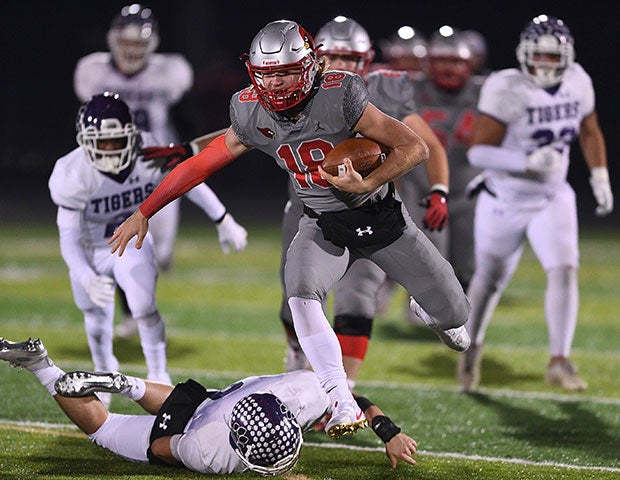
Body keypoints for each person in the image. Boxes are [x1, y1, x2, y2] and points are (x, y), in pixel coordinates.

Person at [108, 19, 471, 439]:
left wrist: (369, 181)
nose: (277, 84)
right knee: (299, 291)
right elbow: (199, 166)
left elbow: (416, 146)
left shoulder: (342, 95)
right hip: (322, 224)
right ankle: (340, 399)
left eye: (286, 72)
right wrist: (146, 210)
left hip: (382, 220)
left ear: (310, 66)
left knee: (456, 321)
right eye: (267, 75)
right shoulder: (250, 110)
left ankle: (429, 307)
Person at [276, 16, 451, 392]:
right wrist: (192, 151)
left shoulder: (383, 89)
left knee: (358, 294)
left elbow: (427, 142)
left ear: (367, 60)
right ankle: (297, 356)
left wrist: (439, 189)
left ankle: (345, 390)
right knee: (294, 297)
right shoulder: (288, 87)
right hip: (307, 208)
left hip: (367, 206)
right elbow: (240, 132)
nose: (342, 65)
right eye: (334, 55)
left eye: (352, 58)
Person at [48, 92, 247, 399]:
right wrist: (85, 275)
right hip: (90, 248)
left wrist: (223, 219)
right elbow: (68, 237)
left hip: (130, 241)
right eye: (103, 142)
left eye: (117, 141)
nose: (111, 149)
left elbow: (187, 179)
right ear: (84, 141)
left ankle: (158, 371)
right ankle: (103, 370)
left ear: (132, 135)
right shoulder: (71, 172)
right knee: (95, 312)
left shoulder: (149, 150)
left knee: (144, 305)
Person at [458, 14, 613, 392]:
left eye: (551, 57)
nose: (545, 64)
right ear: (525, 55)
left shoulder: (577, 81)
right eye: (538, 56)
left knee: (564, 269)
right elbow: (478, 152)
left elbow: (589, 130)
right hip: (504, 197)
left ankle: (559, 360)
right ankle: (470, 348)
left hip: (551, 196)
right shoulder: (506, 87)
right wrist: (524, 162)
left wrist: (600, 177)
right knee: (490, 280)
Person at [0, 337, 418, 474]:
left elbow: (353, 398)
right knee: (105, 431)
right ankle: (40, 366)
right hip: (195, 426)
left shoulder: (307, 392)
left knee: (193, 402)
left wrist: (389, 431)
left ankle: (123, 382)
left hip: (216, 400)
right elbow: (162, 446)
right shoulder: (210, 450)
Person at [73, 4, 219, 337]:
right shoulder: (93, 72)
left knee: (161, 253)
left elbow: (186, 119)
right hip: (115, 171)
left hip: (158, 170)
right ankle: (132, 317)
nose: (131, 50)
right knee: (127, 242)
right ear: (113, 40)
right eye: (126, 42)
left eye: (138, 44)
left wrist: (191, 157)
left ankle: (147, 284)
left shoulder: (169, 72)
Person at [376, 26, 485, 323]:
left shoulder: (485, 90)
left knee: (467, 261)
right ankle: (419, 303)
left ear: (471, 64)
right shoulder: (409, 86)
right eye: (443, 61)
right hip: (424, 184)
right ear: (428, 63)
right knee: (429, 251)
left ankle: (453, 311)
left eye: (457, 62)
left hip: (466, 188)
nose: (450, 68)